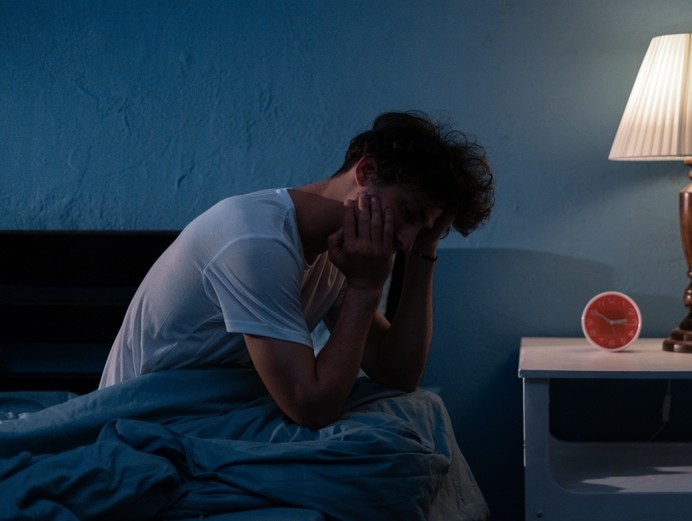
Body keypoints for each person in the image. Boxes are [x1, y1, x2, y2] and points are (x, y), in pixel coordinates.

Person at [99, 111, 494, 430]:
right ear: (366, 171)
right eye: (408, 214)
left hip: (215, 412)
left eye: (421, 231)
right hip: (147, 416)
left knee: (420, 411)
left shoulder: (340, 249)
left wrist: (426, 253)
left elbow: (398, 373)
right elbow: (313, 408)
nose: (405, 241)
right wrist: (364, 289)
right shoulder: (255, 241)